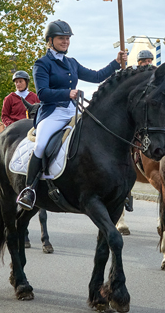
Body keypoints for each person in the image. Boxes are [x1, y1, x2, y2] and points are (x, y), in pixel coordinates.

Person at [16, 19, 126, 210]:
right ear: (49, 40)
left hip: (72, 110)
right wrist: (67, 93)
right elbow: (42, 93)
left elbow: (97, 76)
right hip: (52, 113)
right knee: (41, 144)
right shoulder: (41, 64)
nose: (65, 41)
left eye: (67, 38)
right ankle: (29, 189)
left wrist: (115, 63)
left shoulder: (72, 63)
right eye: (61, 38)